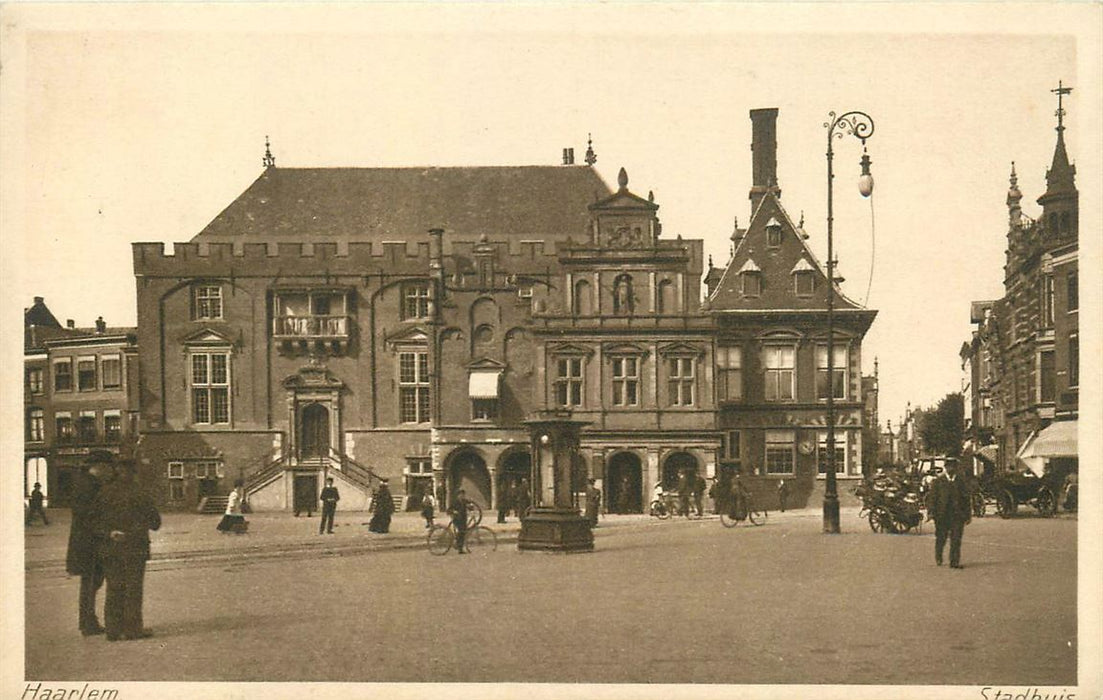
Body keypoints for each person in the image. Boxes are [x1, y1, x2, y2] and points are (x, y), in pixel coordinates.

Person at [92, 459, 161, 641]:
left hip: (110, 547)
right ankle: (132, 630)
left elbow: (93, 522)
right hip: (135, 548)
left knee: (114, 588)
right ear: (133, 472)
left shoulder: (104, 492)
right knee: (133, 589)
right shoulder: (141, 493)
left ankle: (113, 630)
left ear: (117, 471)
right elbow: (156, 523)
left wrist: (110, 532)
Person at [67, 452, 112, 636]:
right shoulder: (90, 486)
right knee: (90, 584)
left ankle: (87, 621)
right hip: (90, 544)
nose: (111, 470)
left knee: (91, 584)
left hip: (86, 542)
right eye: (109, 466)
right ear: (100, 466)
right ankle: (87, 623)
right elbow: (90, 517)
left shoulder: (86, 483)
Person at [926, 459, 972, 569]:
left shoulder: (961, 482)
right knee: (941, 537)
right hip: (942, 515)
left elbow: (966, 499)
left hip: (957, 515)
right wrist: (931, 512)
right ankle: (939, 556)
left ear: (956, 469)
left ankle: (954, 561)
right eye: (949, 467)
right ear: (946, 468)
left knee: (956, 538)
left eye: (953, 467)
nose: (951, 469)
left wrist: (968, 515)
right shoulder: (938, 481)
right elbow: (932, 498)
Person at [449, 488, 471, 554]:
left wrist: (470, 506)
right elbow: (449, 510)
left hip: (463, 519)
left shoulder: (465, 501)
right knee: (461, 531)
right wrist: (454, 511)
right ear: (458, 495)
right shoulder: (454, 502)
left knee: (463, 533)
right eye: (461, 494)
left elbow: (470, 506)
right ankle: (457, 544)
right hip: (456, 519)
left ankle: (460, 548)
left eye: (463, 495)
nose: (462, 496)